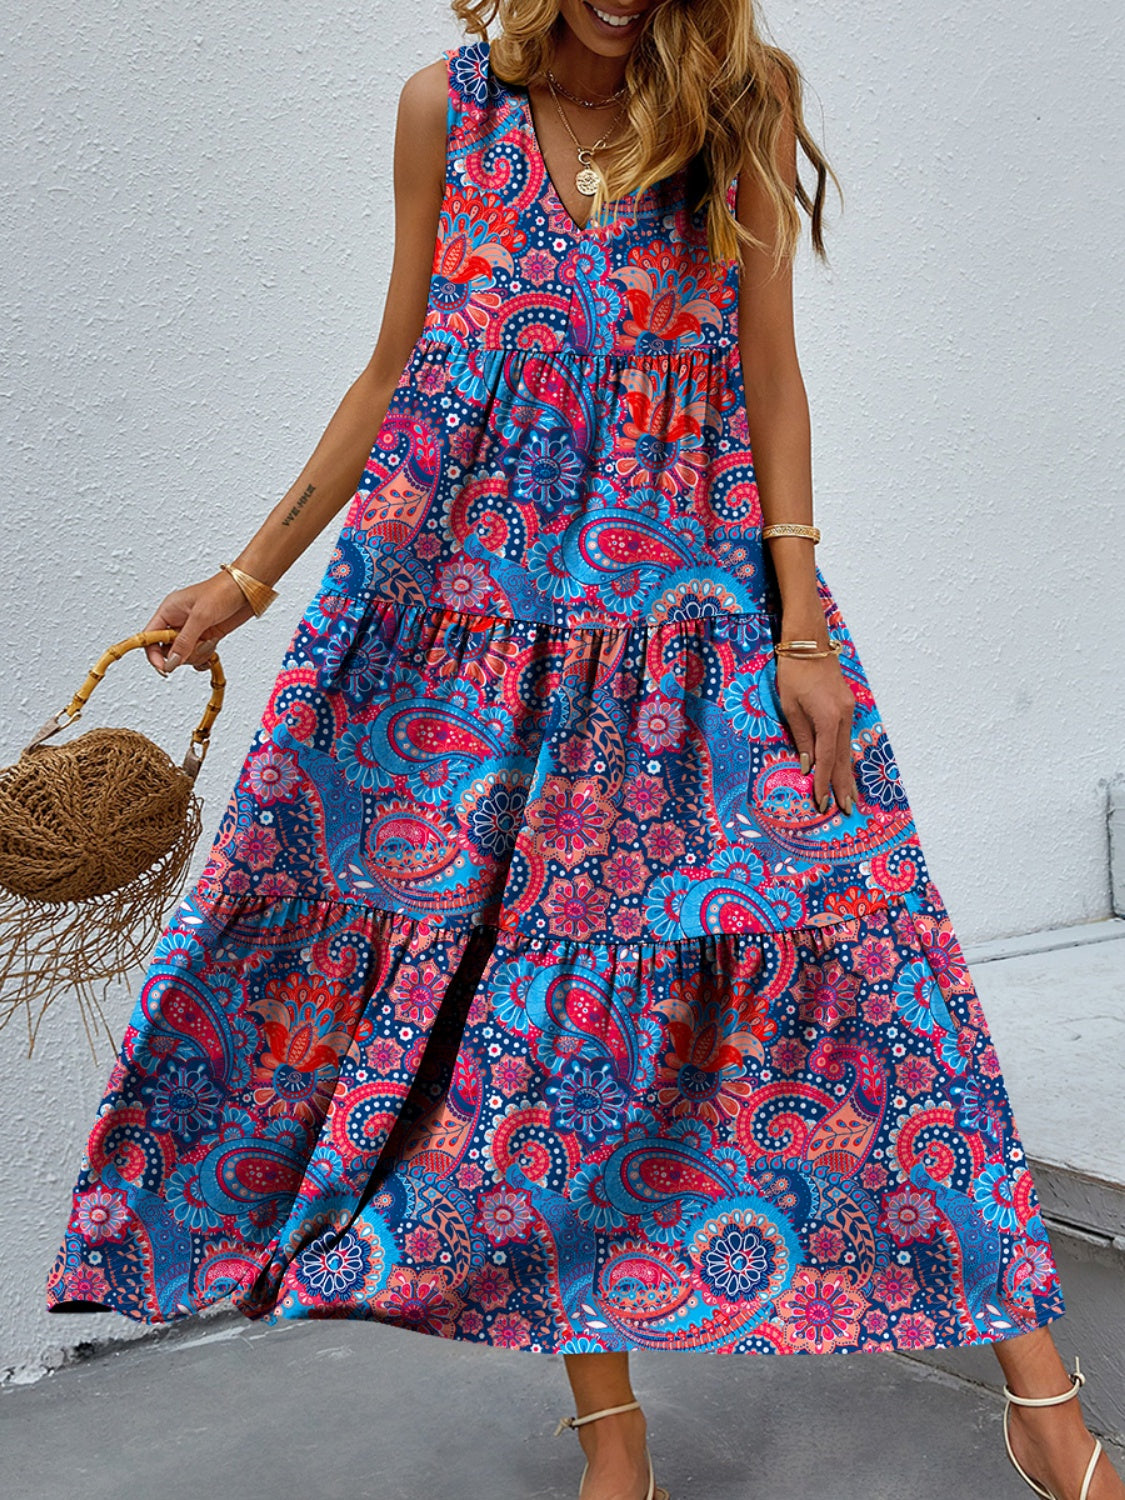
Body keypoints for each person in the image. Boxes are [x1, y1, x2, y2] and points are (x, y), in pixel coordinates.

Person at [47, 3, 1122, 1498]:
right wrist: (246, 578)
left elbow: (769, 381)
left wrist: (799, 633)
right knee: (530, 1033)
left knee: (885, 979)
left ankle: (1047, 1413)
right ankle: (612, 1448)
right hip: (470, 622)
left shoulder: (732, 102)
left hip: (693, 622)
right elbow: (395, 371)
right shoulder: (446, 111)